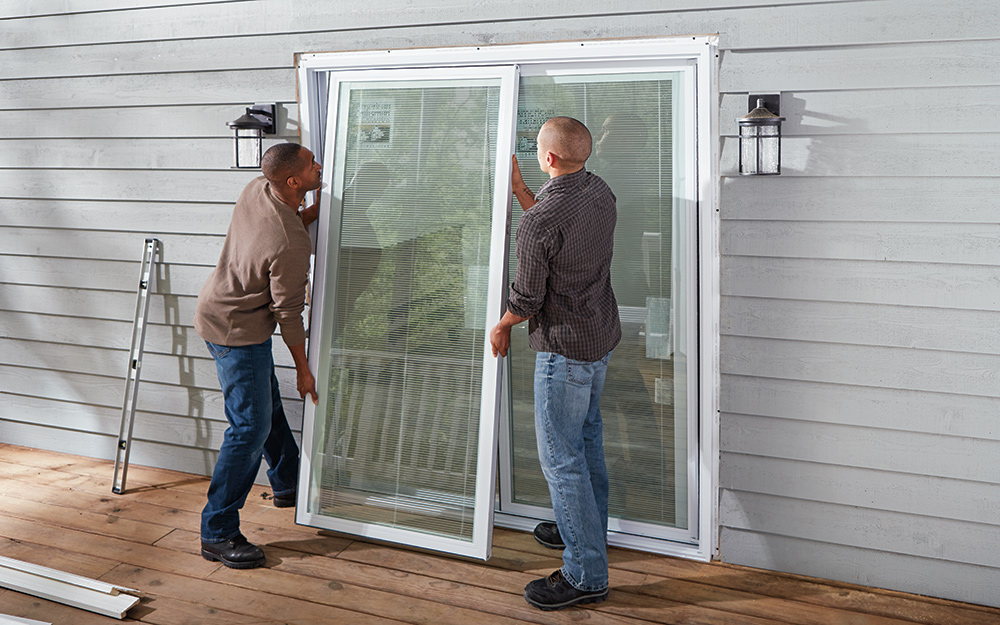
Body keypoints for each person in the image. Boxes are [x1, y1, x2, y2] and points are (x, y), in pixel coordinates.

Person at [490, 116, 621, 610]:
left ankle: (586, 573)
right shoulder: (598, 192)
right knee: (586, 444)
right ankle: (588, 533)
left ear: (548, 158)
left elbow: (525, 298)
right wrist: (524, 191)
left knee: (562, 461)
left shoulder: (542, 220)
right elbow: (556, 235)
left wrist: (502, 326)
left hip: (564, 352)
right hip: (598, 338)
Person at [193, 142, 322, 569]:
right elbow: (288, 314)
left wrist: (313, 215)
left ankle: (289, 483)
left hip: (216, 308)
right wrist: (304, 371)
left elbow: (281, 230)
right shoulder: (290, 244)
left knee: (262, 410)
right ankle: (218, 531)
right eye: (310, 165)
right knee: (249, 428)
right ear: (292, 181)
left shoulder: (256, 188)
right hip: (237, 331)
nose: (318, 167)